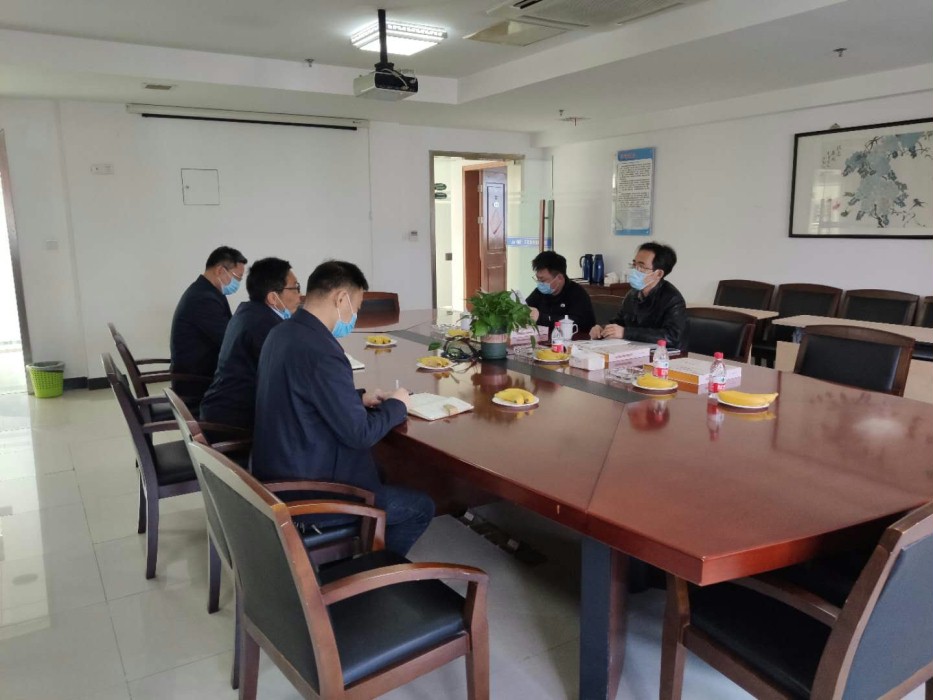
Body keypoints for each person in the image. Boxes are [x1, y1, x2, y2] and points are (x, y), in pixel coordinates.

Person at [252, 260, 434, 557]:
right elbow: (360, 434)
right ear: (341, 299)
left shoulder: (282, 333)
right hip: (310, 492)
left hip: (279, 473)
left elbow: (302, 392)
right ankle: (376, 573)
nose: (354, 316)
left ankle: (366, 543)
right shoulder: (322, 351)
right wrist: (398, 404)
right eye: (356, 307)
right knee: (421, 507)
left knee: (381, 469)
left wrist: (356, 399)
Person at [198, 257, 301, 431]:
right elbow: (289, 379)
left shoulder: (248, 312)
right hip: (231, 424)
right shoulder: (265, 327)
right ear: (273, 297)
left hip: (219, 410)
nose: (299, 295)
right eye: (295, 288)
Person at [170, 246, 247, 401]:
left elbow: (229, 331)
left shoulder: (207, 291)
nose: (238, 283)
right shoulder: (203, 299)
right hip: (197, 384)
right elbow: (229, 340)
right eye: (237, 277)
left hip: (200, 373)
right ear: (220, 270)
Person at [589, 242, 688, 349]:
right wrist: (602, 329)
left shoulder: (673, 299)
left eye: (641, 266)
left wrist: (625, 333)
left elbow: (672, 336)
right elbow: (619, 322)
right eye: (634, 265)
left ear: (658, 274)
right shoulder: (632, 294)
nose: (635, 270)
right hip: (634, 350)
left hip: (664, 354)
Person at [525, 251, 596, 336]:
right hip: (544, 339)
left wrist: (541, 318)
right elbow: (526, 307)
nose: (540, 284)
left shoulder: (577, 294)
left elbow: (577, 324)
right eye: (538, 279)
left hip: (574, 341)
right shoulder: (539, 292)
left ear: (560, 278)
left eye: (543, 280)